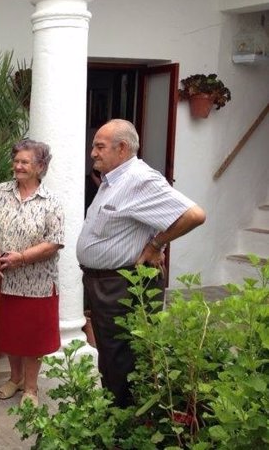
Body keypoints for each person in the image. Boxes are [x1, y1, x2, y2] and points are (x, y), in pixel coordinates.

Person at [76, 118, 206, 407]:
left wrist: (156, 244)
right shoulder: (113, 179)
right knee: (111, 354)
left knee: (123, 356)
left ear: (122, 148)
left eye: (99, 146)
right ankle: (115, 414)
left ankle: (124, 420)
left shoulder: (139, 180)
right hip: (104, 283)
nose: (93, 152)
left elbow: (194, 214)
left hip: (122, 284)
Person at [0, 139, 65, 407]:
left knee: (33, 338)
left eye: (24, 162)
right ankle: (14, 378)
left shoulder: (51, 201)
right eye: (16, 160)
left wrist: (22, 258)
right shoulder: (0, 192)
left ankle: (30, 387)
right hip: (3, 279)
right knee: (8, 333)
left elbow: (55, 242)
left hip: (37, 284)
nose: (17, 166)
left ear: (40, 167)